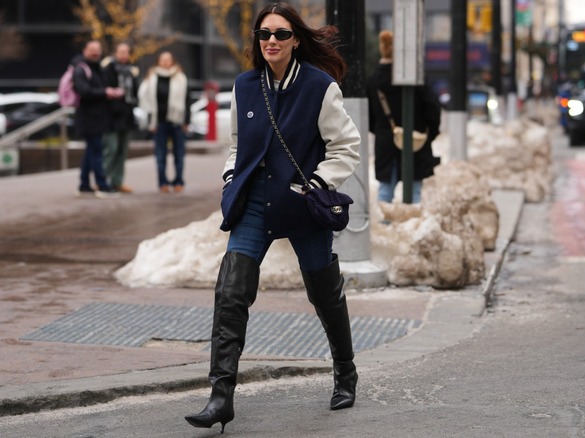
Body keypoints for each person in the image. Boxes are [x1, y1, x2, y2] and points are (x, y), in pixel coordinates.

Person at [185, 2, 361, 432]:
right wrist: (231, 178)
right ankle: (220, 396)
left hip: (302, 206)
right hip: (253, 205)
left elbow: (346, 146)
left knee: (324, 292)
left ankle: (345, 371)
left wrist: (315, 186)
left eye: (281, 34)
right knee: (230, 293)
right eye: (264, 34)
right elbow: (235, 144)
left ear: (295, 39)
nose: (271, 42)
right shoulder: (245, 86)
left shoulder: (319, 86)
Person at [366, 30, 441, 204]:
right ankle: (413, 226)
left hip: (386, 142)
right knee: (414, 192)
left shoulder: (373, 80)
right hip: (416, 141)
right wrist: (429, 134)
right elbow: (433, 108)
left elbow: (369, 117)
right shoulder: (415, 76)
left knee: (385, 192)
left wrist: (384, 131)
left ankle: (385, 227)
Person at [73, 40, 123, 199]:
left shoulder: (99, 68)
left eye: (97, 50)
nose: (95, 53)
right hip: (88, 118)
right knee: (96, 152)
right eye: (92, 50)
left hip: (99, 117)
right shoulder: (80, 69)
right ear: (84, 50)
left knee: (91, 152)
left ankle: (84, 185)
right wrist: (105, 92)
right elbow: (84, 91)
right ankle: (102, 185)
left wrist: (111, 92)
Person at [138, 51, 190, 194]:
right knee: (160, 155)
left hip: (177, 122)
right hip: (158, 123)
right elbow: (146, 102)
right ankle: (163, 182)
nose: (166, 62)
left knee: (179, 155)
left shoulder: (181, 78)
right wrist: (151, 123)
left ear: (172, 61)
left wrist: (186, 120)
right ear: (158, 61)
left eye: (168, 59)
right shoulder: (151, 78)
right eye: (163, 60)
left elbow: (187, 100)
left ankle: (179, 181)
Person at [102, 42, 139, 194]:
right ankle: (102, 181)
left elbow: (135, 94)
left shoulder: (131, 72)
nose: (124, 55)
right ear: (115, 53)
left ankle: (117, 181)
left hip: (127, 116)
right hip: (111, 117)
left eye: (126, 52)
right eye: (121, 52)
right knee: (111, 149)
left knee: (122, 151)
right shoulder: (108, 70)